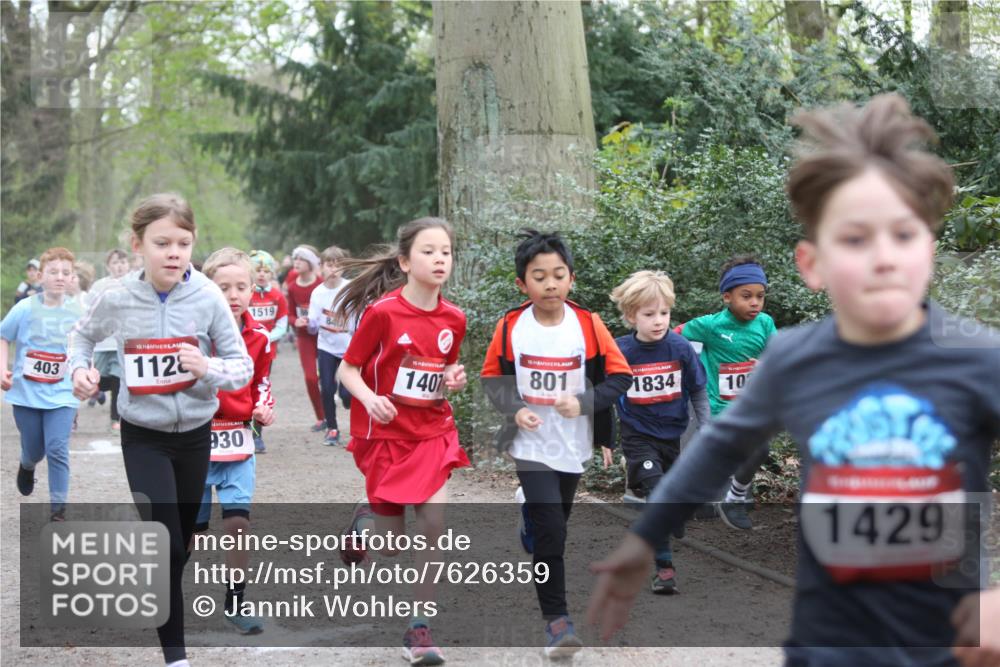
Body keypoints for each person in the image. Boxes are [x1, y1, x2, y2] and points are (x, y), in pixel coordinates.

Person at [587, 94, 1000, 666]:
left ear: (928, 249)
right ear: (813, 264)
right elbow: (719, 446)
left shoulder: (979, 359)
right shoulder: (795, 358)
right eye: (855, 238)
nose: (884, 257)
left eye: (903, 235)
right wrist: (643, 538)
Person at [69, 193, 253, 667]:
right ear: (138, 245)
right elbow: (82, 336)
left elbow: (241, 367)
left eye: (184, 243)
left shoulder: (209, 296)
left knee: (180, 545)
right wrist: (79, 370)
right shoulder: (116, 296)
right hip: (144, 435)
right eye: (163, 242)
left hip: (195, 433)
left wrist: (206, 366)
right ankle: (177, 657)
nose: (174, 252)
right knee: (165, 540)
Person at [480, 229, 631, 658]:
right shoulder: (511, 324)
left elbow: (620, 378)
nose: (550, 284)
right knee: (552, 534)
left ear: (571, 279)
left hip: (573, 443)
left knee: (554, 524)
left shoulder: (589, 324)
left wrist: (584, 402)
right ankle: (557, 623)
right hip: (530, 444)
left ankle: (528, 514)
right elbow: (492, 377)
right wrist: (515, 410)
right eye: (539, 276)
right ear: (522, 284)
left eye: (558, 275)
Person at [335, 217, 469, 666]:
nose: (439, 259)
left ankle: (418, 628)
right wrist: (371, 399)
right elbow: (347, 369)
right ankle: (365, 521)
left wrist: (453, 377)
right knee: (390, 545)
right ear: (405, 261)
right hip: (386, 435)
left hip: (432, 431)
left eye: (445, 252)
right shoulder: (383, 313)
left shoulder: (455, 318)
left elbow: (444, 368)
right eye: (429, 251)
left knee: (433, 527)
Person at [609, 270, 709, 594]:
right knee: (657, 493)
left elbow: (697, 391)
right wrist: (604, 438)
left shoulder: (680, 348)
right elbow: (604, 396)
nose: (658, 321)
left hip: (673, 434)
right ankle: (665, 570)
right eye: (649, 314)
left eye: (664, 313)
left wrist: (705, 429)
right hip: (637, 435)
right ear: (630, 316)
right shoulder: (621, 351)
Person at [194, 247, 275, 636]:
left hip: (238, 443)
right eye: (223, 287)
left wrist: (263, 408)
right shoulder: (192, 334)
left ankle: (236, 601)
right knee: (188, 532)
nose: (233, 294)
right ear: (208, 289)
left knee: (239, 522)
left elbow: (261, 383)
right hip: (193, 443)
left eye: (241, 286)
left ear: (252, 290)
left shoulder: (259, 337)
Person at [675, 254, 776, 529]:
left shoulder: (765, 324)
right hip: (715, 407)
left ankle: (734, 498)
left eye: (760, 296)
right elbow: (675, 335)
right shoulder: (710, 325)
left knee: (760, 450)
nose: (755, 302)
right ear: (727, 297)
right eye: (746, 296)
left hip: (748, 407)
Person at [1, 247, 83, 521]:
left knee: (57, 448)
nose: (60, 277)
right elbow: (3, 336)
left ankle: (58, 511)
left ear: (72, 278)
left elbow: (86, 347)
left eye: (66, 273)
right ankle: (27, 464)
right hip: (26, 393)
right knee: (35, 449)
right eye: (53, 272)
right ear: (40, 276)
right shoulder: (24, 308)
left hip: (63, 393)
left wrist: (88, 376)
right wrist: (3, 369)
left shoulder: (78, 312)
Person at [307, 245, 353, 446]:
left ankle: (347, 398)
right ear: (322, 267)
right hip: (326, 346)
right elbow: (312, 325)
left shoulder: (350, 288)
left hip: (349, 346)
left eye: (338, 265)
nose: (333, 270)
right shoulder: (317, 293)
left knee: (346, 393)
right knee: (326, 387)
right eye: (329, 265)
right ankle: (333, 429)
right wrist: (310, 323)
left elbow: (360, 316)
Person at [87, 249, 132, 428]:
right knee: (97, 381)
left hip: (122, 343)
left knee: (118, 380)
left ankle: (116, 419)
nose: (119, 266)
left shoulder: (135, 284)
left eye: (123, 262)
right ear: (108, 266)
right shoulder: (99, 286)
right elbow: (88, 311)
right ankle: (96, 393)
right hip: (102, 344)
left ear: (128, 265)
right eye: (115, 262)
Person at [286, 245, 325, 430]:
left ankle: (331, 409)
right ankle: (321, 417)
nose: (297, 263)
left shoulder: (321, 284)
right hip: (304, 338)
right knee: (310, 378)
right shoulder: (293, 288)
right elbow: (290, 314)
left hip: (324, 336)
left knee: (327, 377)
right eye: (295, 259)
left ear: (310, 263)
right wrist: (296, 321)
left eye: (301, 259)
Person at [247, 250, 289, 345]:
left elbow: (282, 326)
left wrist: (267, 338)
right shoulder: (245, 294)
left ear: (272, 274)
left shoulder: (278, 296)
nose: (262, 274)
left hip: (269, 346)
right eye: (258, 270)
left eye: (266, 271)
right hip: (248, 345)